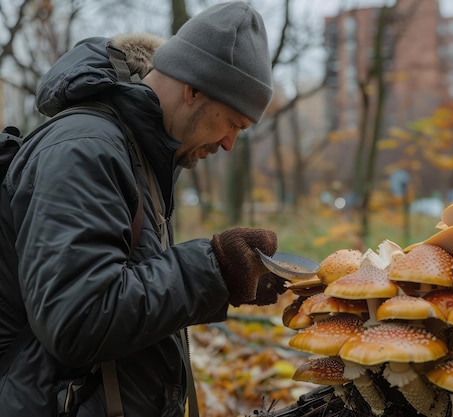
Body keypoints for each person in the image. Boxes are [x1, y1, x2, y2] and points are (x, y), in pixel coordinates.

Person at [0, 2, 287, 416]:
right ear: (193, 90)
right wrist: (214, 269)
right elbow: (78, 318)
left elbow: (126, 288)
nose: (229, 144)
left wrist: (225, 282)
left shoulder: (138, 153)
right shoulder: (86, 149)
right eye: (234, 124)